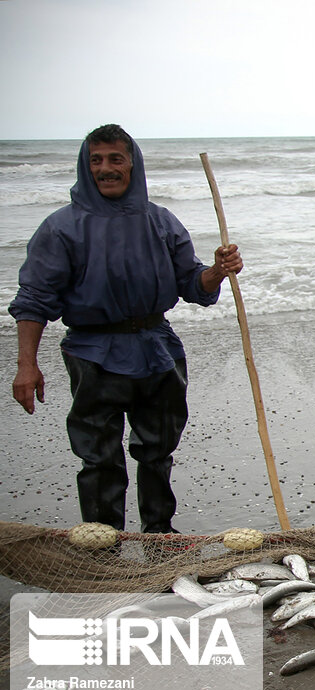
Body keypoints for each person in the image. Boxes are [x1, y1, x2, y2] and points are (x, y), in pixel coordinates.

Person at [8, 124, 242, 535]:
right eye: (96, 160)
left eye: (116, 158)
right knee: (98, 457)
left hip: (157, 347)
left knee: (158, 451)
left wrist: (217, 272)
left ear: (132, 163)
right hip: (91, 350)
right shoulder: (61, 227)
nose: (106, 168)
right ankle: (104, 545)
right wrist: (27, 365)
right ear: (85, 166)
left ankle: (159, 535)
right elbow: (33, 300)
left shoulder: (161, 221)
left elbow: (192, 283)